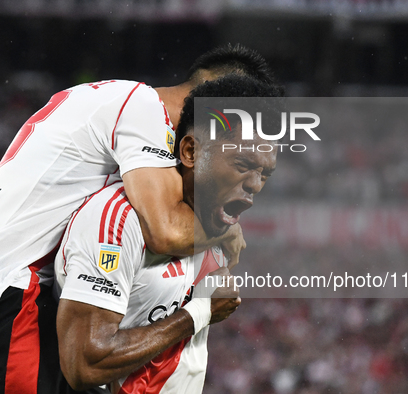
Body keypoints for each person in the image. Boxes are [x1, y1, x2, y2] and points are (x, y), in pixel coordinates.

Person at [0, 45, 279, 394]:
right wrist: (224, 230)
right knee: (88, 364)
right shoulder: (144, 109)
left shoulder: (114, 100)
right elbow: (166, 231)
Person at [54, 75, 281, 393]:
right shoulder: (118, 221)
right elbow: (85, 363)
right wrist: (199, 312)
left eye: (264, 173)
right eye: (243, 164)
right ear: (190, 152)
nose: (255, 185)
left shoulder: (216, 229)